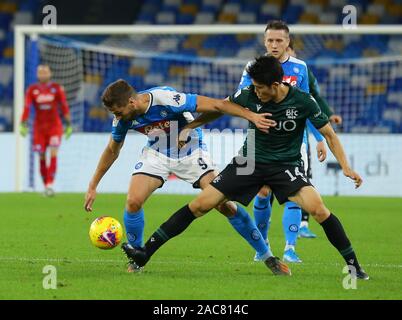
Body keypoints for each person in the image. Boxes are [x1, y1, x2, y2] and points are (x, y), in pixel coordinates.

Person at [122, 55, 369, 280]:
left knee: (319, 210)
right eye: (254, 87)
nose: (256, 92)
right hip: (248, 161)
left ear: (275, 85)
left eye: (260, 88)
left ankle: (354, 266)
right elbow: (218, 108)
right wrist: (189, 127)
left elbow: (329, 134)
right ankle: (145, 252)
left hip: (285, 166)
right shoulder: (249, 94)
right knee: (200, 205)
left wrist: (346, 167)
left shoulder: (303, 101)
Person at [84, 80, 290, 275]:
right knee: (133, 201)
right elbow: (112, 149)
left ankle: (267, 256)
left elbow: (217, 105)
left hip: (192, 152)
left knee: (224, 205)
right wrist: (93, 185)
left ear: (131, 102)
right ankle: (137, 257)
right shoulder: (122, 118)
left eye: (118, 112)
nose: (117, 117)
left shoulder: (165, 98)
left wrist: (251, 116)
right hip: (157, 154)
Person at [180, 20, 326, 263]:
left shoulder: (301, 68)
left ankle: (290, 247)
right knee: (263, 191)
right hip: (259, 140)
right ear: (264, 41)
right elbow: (238, 102)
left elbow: (306, 107)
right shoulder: (252, 68)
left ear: (288, 42)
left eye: (279, 40)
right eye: (270, 40)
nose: (274, 45)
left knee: (294, 192)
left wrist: (319, 138)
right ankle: (263, 245)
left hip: (293, 141)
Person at [286, 39, 344, 238]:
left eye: (287, 49)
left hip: (298, 137)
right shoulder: (268, 72)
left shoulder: (302, 71)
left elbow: (313, 100)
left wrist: (326, 118)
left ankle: (302, 224)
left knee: (303, 179)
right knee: (266, 191)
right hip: (270, 139)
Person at [19, 64, 72, 196]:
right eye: (40, 72)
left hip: (54, 126)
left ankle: (50, 185)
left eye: (45, 72)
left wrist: (68, 124)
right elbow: (27, 107)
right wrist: (23, 123)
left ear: (50, 73)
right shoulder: (32, 90)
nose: (42, 74)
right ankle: (46, 186)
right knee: (41, 156)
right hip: (39, 128)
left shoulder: (56, 88)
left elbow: (64, 106)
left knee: (53, 153)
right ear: (37, 75)